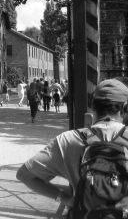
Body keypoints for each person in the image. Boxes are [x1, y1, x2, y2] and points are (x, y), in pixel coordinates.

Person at [16, 78, 128, 218]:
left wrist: (64, 197)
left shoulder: (67, 140)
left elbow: (24, 175)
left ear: (93, 105)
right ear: (125, 107)